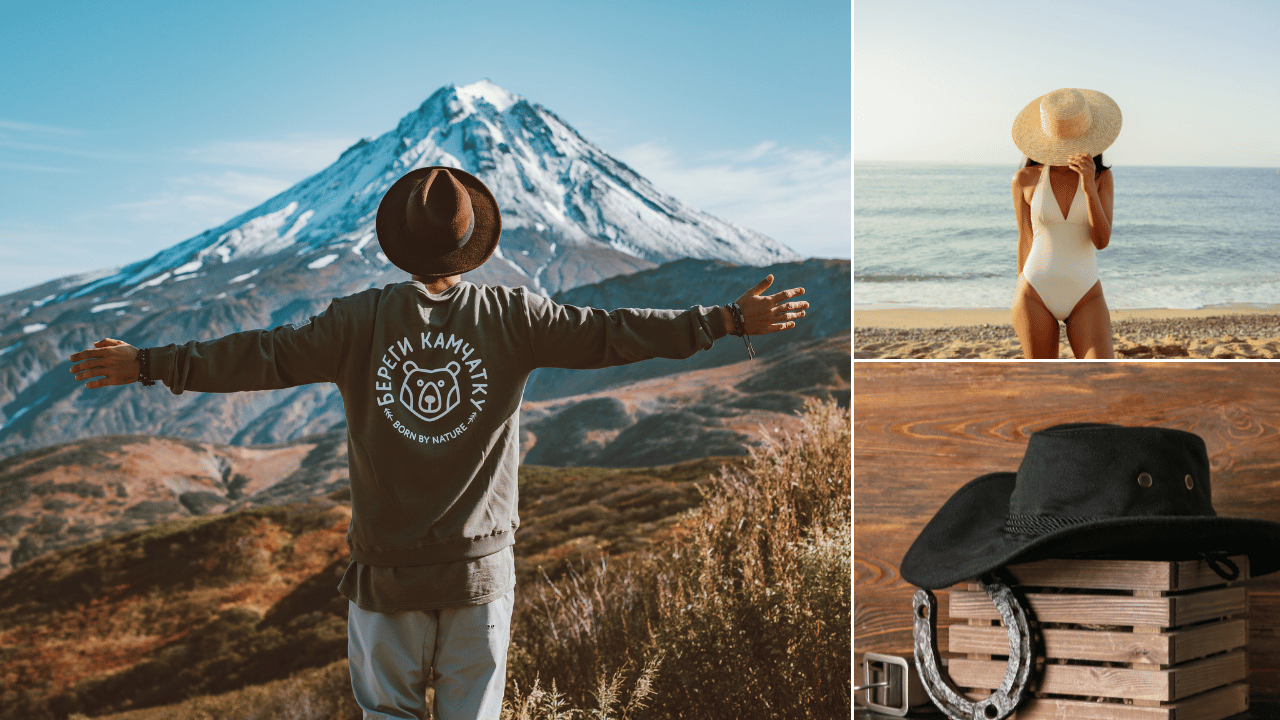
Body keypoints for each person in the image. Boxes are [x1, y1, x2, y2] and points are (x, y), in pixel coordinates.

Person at [67, 166, 810, 720]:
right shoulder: (514, 315)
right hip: (479, 574)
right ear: (472, 246)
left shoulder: (354, 321)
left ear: (397, 246)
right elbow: (614, 334)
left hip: (386, 575)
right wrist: (726, 321)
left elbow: (257, 356)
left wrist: (148, 364)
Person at [1010, 88, 1120, 359]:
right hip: (1035, 293)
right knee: (1044, 387)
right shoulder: (1025, 179)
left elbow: (1102, 241)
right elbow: (1025, 237)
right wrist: (1020, 286)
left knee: (1101, 379)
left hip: (1086, 295)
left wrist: (1088, 187)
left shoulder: (1100, 178)